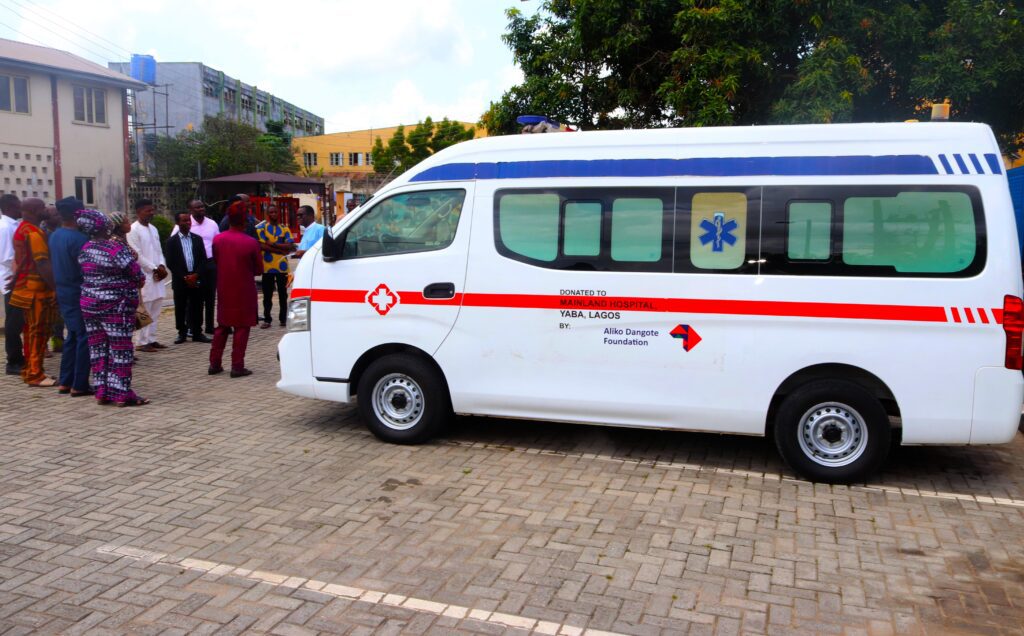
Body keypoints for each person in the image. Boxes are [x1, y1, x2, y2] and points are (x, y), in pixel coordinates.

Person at [77, 209, 148, 406]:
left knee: (98, 349)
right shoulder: (114, 248)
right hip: (116, 307)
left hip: (89, 305)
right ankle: (121, 394)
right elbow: (138, 276)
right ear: (104, 226)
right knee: (121, 349)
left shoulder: (86, 248)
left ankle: (102, 392)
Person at [209, 201, 262, 378]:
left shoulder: (218, 239)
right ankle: (237, 366)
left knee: (222, 326)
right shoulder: (251, 242)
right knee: (242, 327)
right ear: (245, 221)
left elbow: (216, 260)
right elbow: (258, 269)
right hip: (244, 288)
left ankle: (214, 363)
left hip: (224, 287)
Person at [9, 198, 57, 386]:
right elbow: (42, 262)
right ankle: (35, 374)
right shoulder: (34, 233)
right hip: (36, 290)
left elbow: (21, 260)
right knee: (38, 331)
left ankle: (30, 370)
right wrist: (56, 287)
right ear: (36, 210)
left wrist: (15, 279)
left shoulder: (22, 229)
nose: (47, 209)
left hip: (24, 287)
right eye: (43, 207)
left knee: (30, 331)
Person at [49, 196, 92, 396]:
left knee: (72, 336)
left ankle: (66, 381)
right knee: (84, 337)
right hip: (79, 291)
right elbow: (86, 269)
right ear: (78, 214)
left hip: (63, 291)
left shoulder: (55, 235)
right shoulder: (80, 239)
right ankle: (79, 384)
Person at [171, 199, 219, 334]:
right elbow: (174, 243)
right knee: (194, 298)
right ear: (190, 210)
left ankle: (210, 326)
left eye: (202, 206)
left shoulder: (212, 224)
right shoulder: (184, 223)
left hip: (209, 263)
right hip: (193, 267)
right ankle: (192, 327)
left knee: (210, 296)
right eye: (197, 207)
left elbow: (217, 242)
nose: (201, 209)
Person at [126, 199, 168, 353]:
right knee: (144, 309)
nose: (151, 213)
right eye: (147, 210)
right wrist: (154, 268)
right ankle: (141, 342)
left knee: (156, 307)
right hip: (144, 275)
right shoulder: (133, 230)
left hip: (158, 275)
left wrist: (162, 265)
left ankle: (151, 339)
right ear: (138, 212)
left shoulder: (153, 229)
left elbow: (159, 251)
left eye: (152, 210)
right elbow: (137, 255)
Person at [164, 212, 210, 344]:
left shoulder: (197, 239)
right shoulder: (171, 242)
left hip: (196, 277)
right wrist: (185, 277)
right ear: (177, 223)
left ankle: (197, 332)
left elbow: (203, 259)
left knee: (197, 305)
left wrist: (196, 275)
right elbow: (171, 263)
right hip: (181, 280)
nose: (188, 223)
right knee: (180, 307)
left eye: (188, 220)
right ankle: (182, 332)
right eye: (184, 221)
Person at [255, 204, 294, 328]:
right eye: (271, 212)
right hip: (267, 267)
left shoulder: (284, 228)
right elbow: (262, 245)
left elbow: (290, 245)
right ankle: (267, 319)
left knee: (283, 294)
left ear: (279, 213)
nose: (273, 214)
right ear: (267, 214)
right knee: (267, 295)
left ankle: (283, 319)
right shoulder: (261, 228)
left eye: (275, 212)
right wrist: (280, 249)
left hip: (282, 267)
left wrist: (272, 244)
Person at [1, 193, 25, 375]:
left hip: (16, 278)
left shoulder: (13, 225)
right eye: (18, 206)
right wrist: (18, 275)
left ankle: (18, 357)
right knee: (13, 322)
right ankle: (13, 361)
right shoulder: (5, 227)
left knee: (17, 321)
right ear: (9, 208)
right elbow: (8, 257)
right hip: (11, 280)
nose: (21, 209)